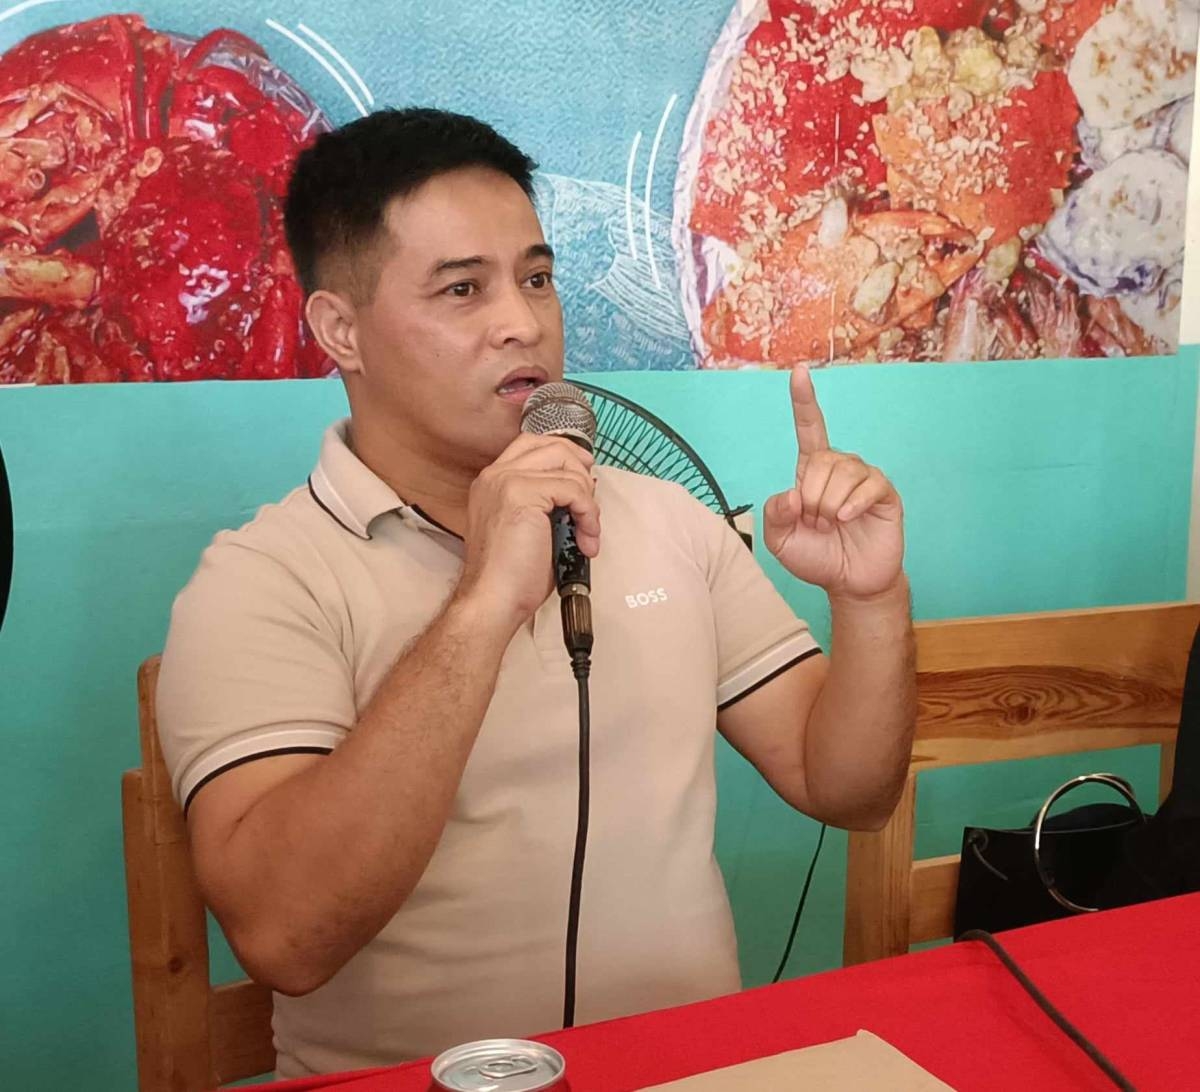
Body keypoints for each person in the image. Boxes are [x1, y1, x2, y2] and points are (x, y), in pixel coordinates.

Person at [156, 107, 915, 1078]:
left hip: (693, 1068)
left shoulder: (666, 520)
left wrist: (871, 600)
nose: (525, 322)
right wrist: (481, 605)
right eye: (463, 289)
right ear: (340, 329)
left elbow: (846, 787)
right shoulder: (259, 582)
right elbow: (286, 938)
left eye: (538, 279)